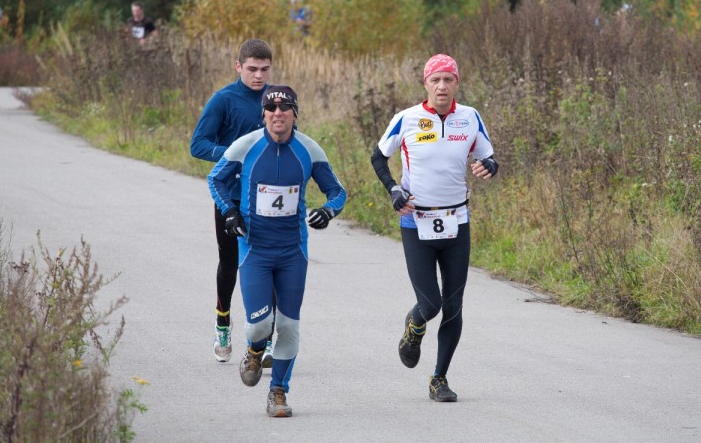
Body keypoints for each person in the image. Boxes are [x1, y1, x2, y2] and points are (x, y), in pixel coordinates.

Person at [208, 85, 347, 418]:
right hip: (255, 249)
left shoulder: (309, 150)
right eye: (271, 109)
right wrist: (229, 211)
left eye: (285, 108)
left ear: (295, 113)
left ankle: (279, 392)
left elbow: (337, 192)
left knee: (288, 325)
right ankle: (255, 349)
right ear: (264, 115)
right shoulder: (246, 145)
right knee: (260, 325)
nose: (278, 113)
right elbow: (216, 180)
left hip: (292, 252)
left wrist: (328, 211)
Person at [371, 54, 499, 403]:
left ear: (457, 83)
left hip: (457, 220)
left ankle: (439, 379)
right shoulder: (407, 119)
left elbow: (489, 156)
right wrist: (394, 189)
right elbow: (378, 156)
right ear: (425, 83)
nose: (442, 86)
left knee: (454, 305)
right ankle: (414, 329)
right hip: (416, 221)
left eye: (448, 80)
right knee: (430, 303)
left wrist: (489, 166)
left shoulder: (470, 117)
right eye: (435, 80)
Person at [191, 39, 276, 364]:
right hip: (230, 198)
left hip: (268, 199)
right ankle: (223, 323)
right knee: (230, 264)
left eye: (264, 69)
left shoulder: (275, 99)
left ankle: (266, 339)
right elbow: (198, 144)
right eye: (252, 69)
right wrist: (231, 156)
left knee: (269, 266)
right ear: (238, 66)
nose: (258, 75)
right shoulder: (224, 100)